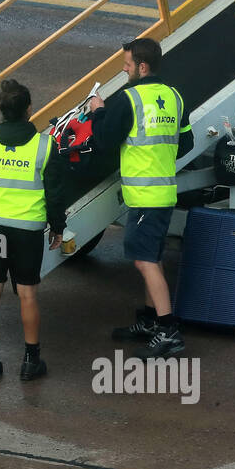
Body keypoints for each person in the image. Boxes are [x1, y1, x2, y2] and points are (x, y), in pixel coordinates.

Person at [87, 37, 193, 359]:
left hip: (144, 197)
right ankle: (149, 322)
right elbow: (186, 144)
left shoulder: (129, 100)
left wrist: (97, 111)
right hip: (163, 193)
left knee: (143, 260)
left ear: (142, 67)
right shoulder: (174, 97)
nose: (125, 71)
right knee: (153, 257)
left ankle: (168, 331)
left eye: (127, 66)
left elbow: (105, 141)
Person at [0, 79, 69, 381]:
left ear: (1, 109)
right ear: (29, 109)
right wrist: (58, 227)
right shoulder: (45, 145)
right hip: (27, 230)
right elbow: (55, 193)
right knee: (27, 295)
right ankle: (30, 362)